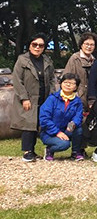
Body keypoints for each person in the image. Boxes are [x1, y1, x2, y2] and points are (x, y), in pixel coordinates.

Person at [11, 33, 56, 162]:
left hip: (44, 96)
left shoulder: (47, 60)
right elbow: (17, 80)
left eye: (40, 45)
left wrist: (52, 95)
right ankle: (27, 152)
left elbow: (52, 78)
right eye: (34, 44)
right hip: (29, 97)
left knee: (38, 124)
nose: (37, 47)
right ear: (29, 45)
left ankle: (34, 150)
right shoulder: (22, 60)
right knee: (28, 124)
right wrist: (24, 98)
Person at [39, 73, 84, 161]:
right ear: (61, 83)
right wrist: (57, 132)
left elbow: (78, 116)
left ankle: (75, 152)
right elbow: (44, 118)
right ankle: (50, 150)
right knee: (64, 145)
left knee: (79, 130)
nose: (68, 85)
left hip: (67, 130)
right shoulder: (52, 99)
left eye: (71, 83)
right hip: (49, 133)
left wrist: (73, 124)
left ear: (76, 87)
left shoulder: (77, 101)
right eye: (65, 82)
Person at [64, 32, 97, 112]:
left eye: (92, 44)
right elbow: (66, 78)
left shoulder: (95, 61)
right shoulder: (75, 58)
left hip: (91, 98)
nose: (89, 47)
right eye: (86, 44)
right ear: (81, 44)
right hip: (76, 98)